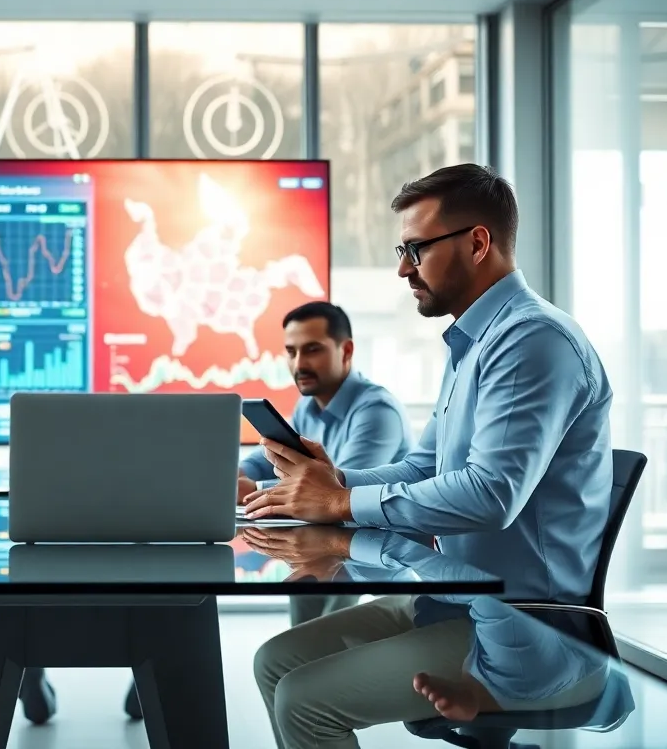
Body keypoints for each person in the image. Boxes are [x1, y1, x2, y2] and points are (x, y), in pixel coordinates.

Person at [244, 164, 614, 749]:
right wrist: (333, 482)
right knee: (274, 660)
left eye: (416, 249)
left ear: (477, 243)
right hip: (457, 595)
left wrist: (340, 504)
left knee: (302, 700)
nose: (403, 268)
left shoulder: (532, 340)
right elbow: (424, 468)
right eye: (403, 250)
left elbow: (491, 495)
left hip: (521, 618)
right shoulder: (474, 343)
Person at [237, 301, 412, 624]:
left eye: (312, 350)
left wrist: (254, 489)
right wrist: (237, 474)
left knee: (313, 636)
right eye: (291, 352)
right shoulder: (308, 407)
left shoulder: (377, 411)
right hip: (329, 550)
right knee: (298, 634)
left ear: (346, 351)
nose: (299, 364)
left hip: (376, 563)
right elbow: (269, 456)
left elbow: (331, 492)